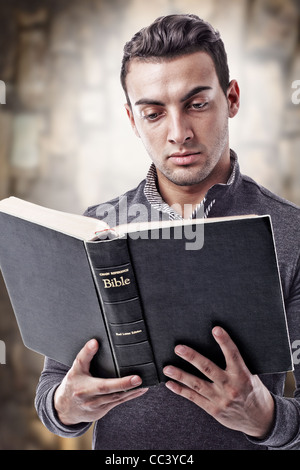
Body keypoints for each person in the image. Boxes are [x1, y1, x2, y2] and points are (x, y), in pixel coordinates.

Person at [35, 14, 300, 450]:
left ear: (231, 98)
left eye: (196, 103)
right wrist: (66, 407)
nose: (178, 133)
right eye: (154, 113)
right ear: (132, 119)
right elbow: (53, 388)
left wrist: (266, 418)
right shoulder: (95, 229)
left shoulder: (290, 233)